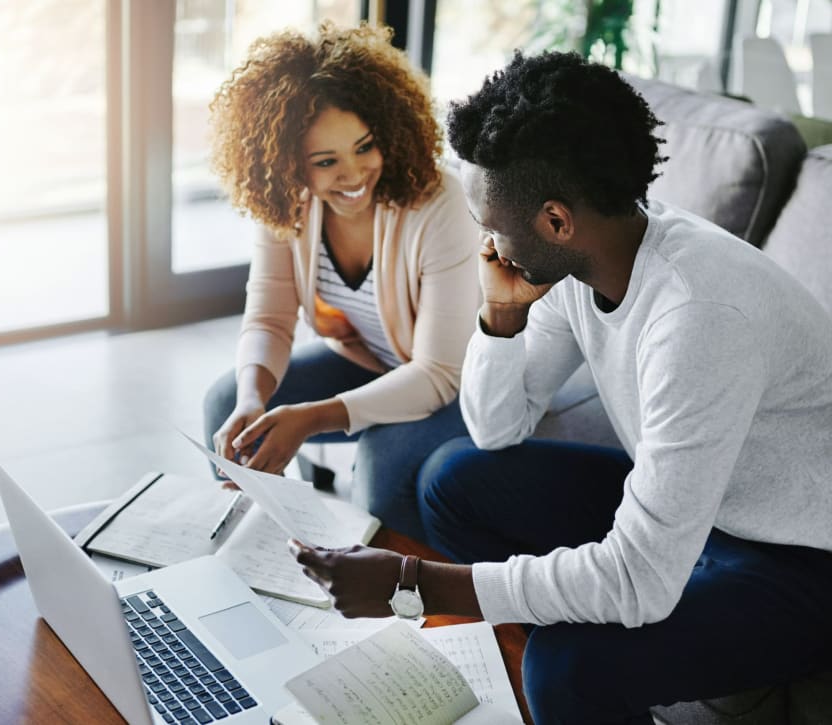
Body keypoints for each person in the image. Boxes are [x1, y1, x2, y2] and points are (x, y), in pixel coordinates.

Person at [293, 51, 832, 723]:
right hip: (704, 511)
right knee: (454, 478)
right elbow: (496, 427)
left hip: (799, 561)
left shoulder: (696, 317)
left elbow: (642, 577)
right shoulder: (592, 254)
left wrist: (417, 586)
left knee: (566, 664)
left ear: (555, 220)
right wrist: (502, 314)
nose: (482, 242)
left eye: (488, 222)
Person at [202, 22, 479, 541]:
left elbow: (440, 372)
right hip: (376, 363)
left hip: (462, 386)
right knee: (226, 404)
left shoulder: (440, 202)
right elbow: (269, 318)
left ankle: (386, 603)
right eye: (325, 161)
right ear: (287, 166)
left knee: (381, 466)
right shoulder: (287, 203)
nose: (353, 175)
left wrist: (310, 418)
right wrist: (251, 400)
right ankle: (257, 557)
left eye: (365, 147)